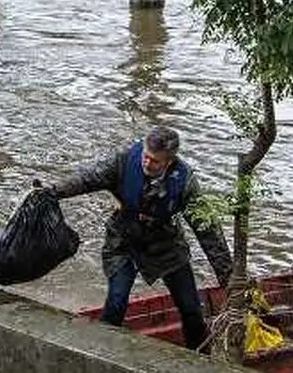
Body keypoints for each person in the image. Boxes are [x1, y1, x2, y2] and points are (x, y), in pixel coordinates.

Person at [48, 126, 233, 351]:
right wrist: (53, 191)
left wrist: (228, 276)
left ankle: (200, 357)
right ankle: (100, 353)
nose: (147, 163)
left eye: (155, 161)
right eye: (145, 156)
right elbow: (87, 179)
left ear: (169, 162)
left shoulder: (184, 181)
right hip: (124, 241)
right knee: (117, 301)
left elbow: (207, 230)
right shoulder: (124, 162)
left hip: (166, 244)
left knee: (191, 308)